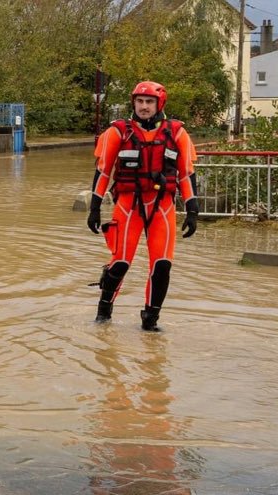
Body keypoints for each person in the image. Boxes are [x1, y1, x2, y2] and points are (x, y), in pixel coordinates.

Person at [86, 81, 200, 331]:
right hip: (128, 205)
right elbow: (103, 171)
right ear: (133, 103)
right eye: (140, 101)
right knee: (120, 262)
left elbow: (186, 174)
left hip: (163, 206)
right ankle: (103, 314)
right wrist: (94, 208)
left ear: (160, 104)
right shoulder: (118, 132)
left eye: (149, 102)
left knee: (162, 265)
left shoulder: (177, 132)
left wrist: (192, 211)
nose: (144, 107)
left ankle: (150, 321)